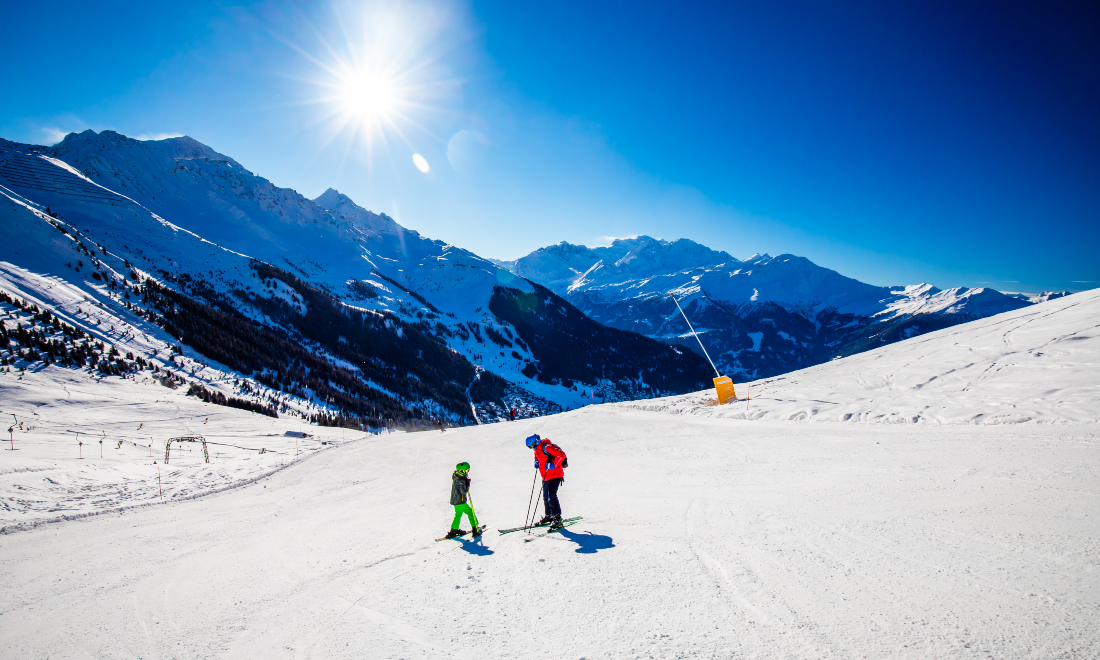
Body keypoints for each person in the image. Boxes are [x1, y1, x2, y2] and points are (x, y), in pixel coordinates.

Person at [525, 434, 568, 530]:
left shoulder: (547, 447)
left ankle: (557, 518)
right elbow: (538, 458)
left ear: (535, 443)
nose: (531, 449)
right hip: (546, 476)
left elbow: (561, 454)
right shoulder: (536, 451)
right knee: (546, 497)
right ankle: (549, 516)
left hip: (556, 474)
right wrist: (536, 462)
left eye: (531, 446)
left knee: (551, 496)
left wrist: (553, 465)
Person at [445, 462, 480, 539]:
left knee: (458, 514)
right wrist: (467, 483)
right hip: (460, 501)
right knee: (470, 513)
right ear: (462, 471)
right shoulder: (460, 480)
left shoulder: (456, 476)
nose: (468, 471)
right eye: (467, 470)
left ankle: (453, 530)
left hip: (455, 500)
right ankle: (475, 529)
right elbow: (464, 491)